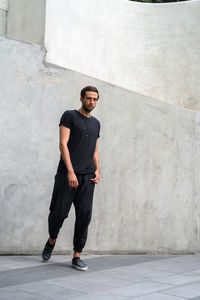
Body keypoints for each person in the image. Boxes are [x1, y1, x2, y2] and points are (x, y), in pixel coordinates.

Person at [42, 86, 100, 271]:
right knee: (59, 213)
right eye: (89, 98)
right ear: (82, 98)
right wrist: (70, 171)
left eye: (95, 99)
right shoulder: (69, 116)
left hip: (88, 177)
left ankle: (77, 255)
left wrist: (98, 169)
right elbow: (63, 144)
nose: (91, 102)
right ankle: (52, 240)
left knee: (84, 216)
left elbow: (94, 148)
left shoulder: (96, 123)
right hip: (67, 175)